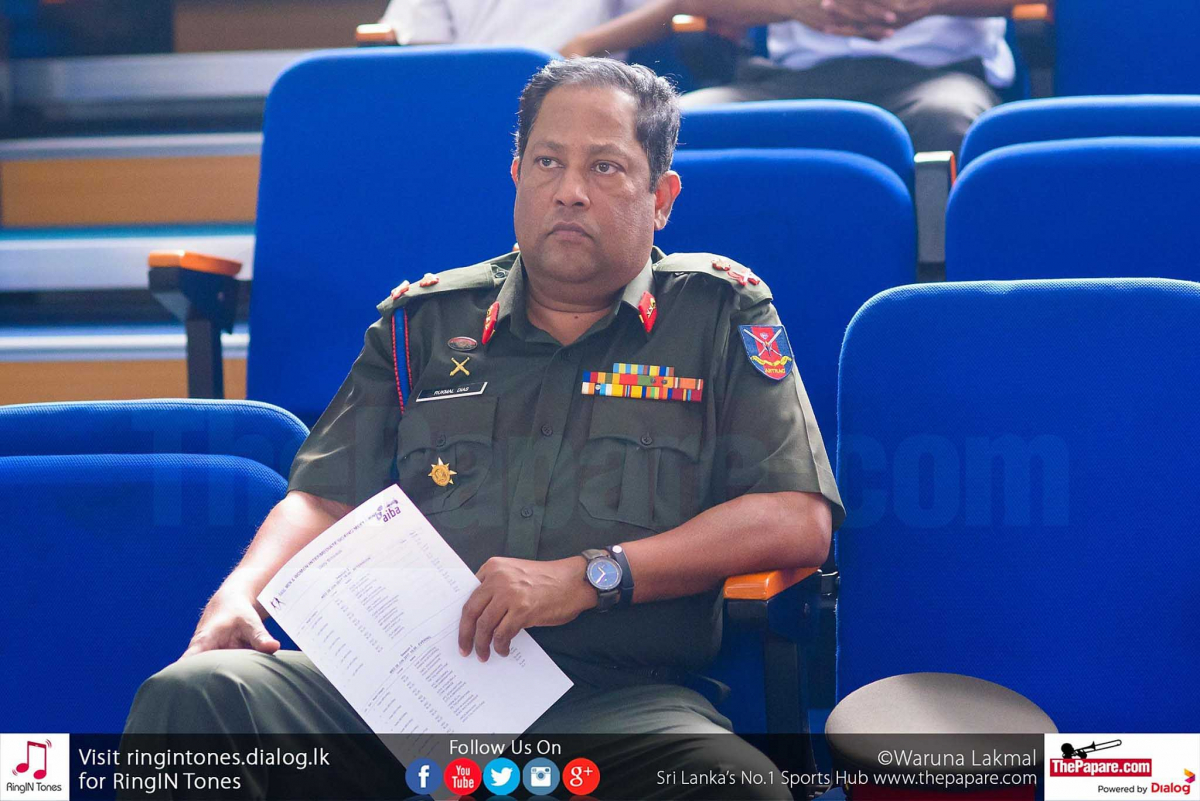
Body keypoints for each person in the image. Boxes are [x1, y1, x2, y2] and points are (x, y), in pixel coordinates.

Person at [123, 57, 843, 799]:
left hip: (613, 705)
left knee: (730, 784)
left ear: (661, 199)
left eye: (605, 167)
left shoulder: (718, 315)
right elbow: (324, 496)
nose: (569, 190)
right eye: (548, 162)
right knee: (198, 699)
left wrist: (590, 577)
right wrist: (241, 592)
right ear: (516, 176)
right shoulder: (425, 324)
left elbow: (796, 518)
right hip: (404, 694)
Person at [561, 0, 1018, 154]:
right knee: (678, 124)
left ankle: (931, 279)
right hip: (791, 81)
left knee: (948, 118)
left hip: (936, 77)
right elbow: (691, 3)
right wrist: (792, 5)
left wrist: (927, 3)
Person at [378, 0, 650, 54]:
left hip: (584, 90)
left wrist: (584, 45)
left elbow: (665, 7)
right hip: (474, 93)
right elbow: (424, 43)